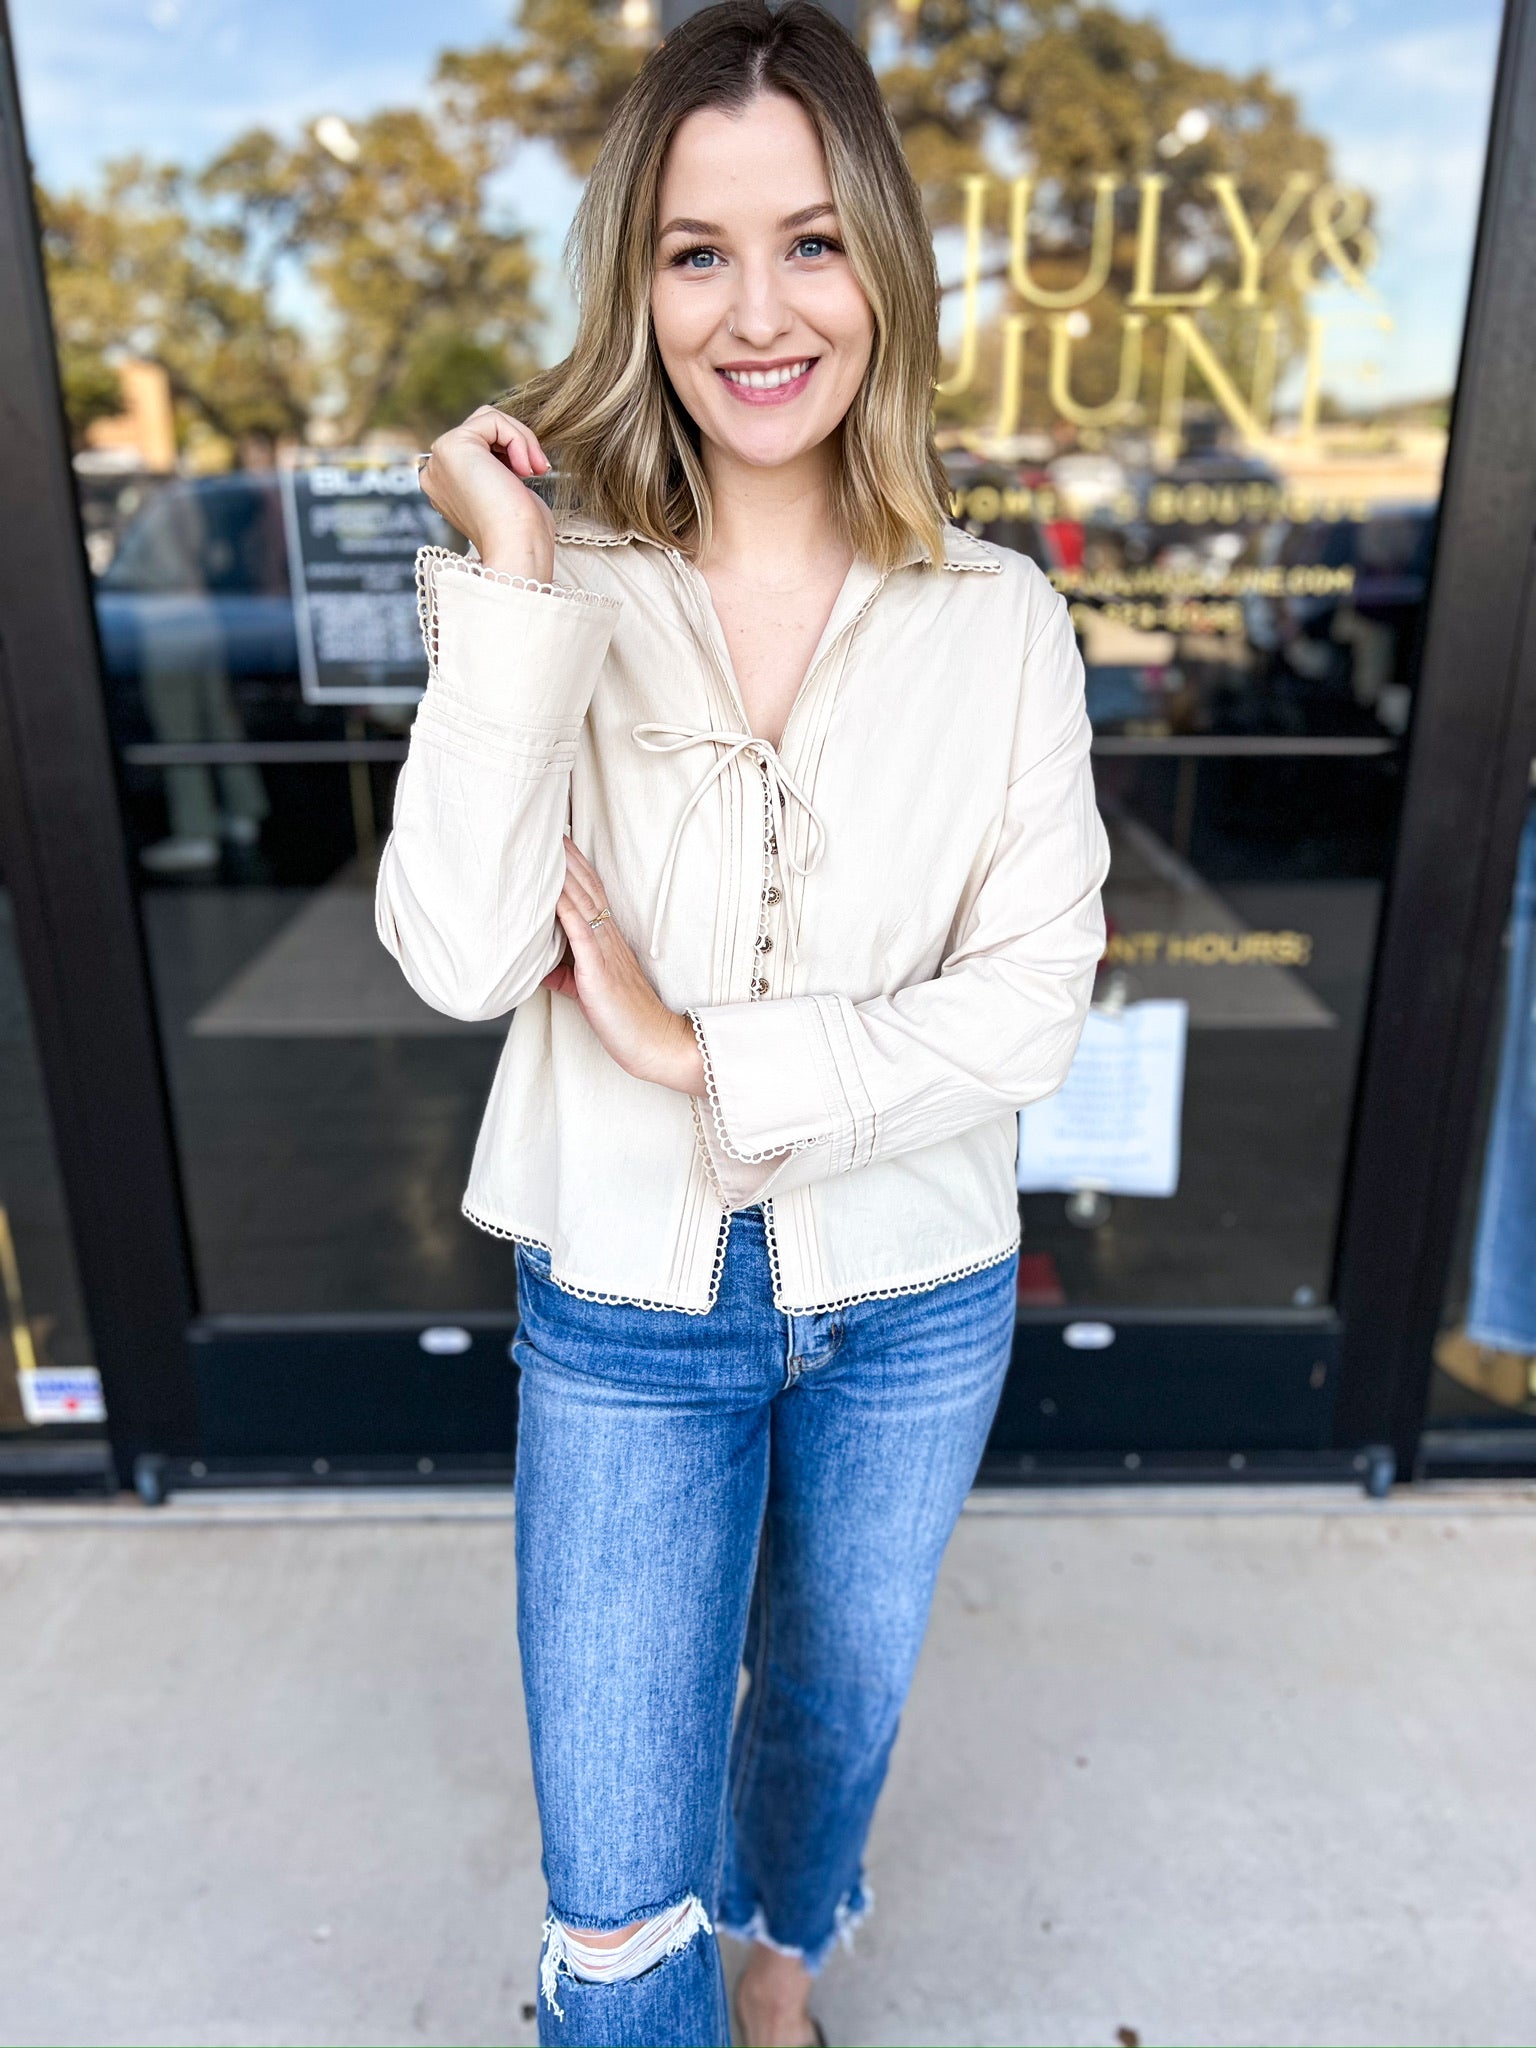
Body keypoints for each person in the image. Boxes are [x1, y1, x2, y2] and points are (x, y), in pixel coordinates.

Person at [380, 3, 1109, 2041]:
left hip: (920, 1289)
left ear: (883, 256)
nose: (759, 308)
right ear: (638, 285)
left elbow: (1032, 1000)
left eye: (810, 239)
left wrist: (715, 1057)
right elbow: (450, 950)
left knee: (829, 1716)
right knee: (617, 1914)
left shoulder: (1000, 617)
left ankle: (783, 1970)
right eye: (698, 251)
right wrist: (515, 564)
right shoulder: (549, 590)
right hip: (623, 1301)